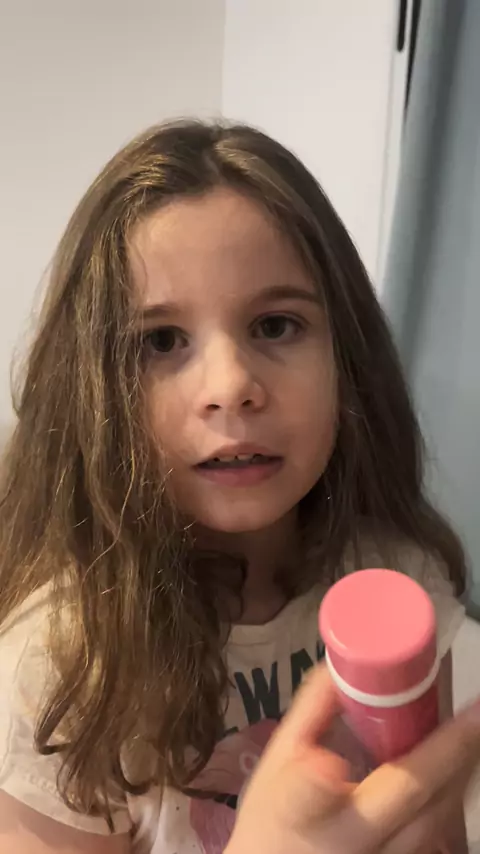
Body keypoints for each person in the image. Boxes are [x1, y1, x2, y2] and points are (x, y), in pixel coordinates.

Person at [0, 120, 473, 854]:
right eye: (160, 342)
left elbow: (434, 835)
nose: (231, 386)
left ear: (347, 357)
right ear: (91, 392)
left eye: (276, 326)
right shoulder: (60, 668)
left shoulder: (393, 579)